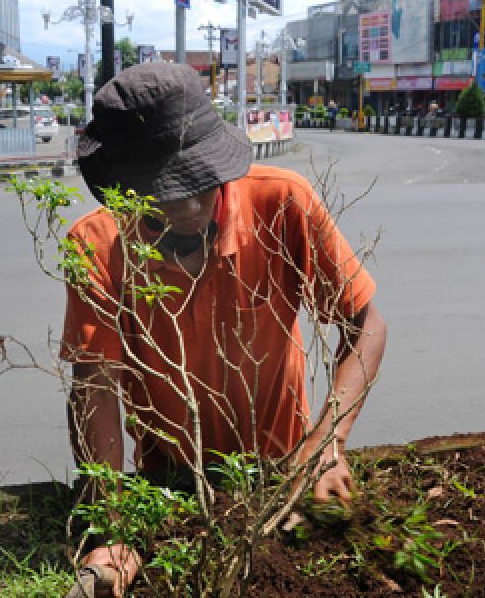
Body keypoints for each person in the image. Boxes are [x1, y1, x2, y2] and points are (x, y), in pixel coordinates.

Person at [63, 63, 387, 593]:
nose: (191, 205)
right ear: (125, 190)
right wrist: (114, 525)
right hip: (167, 475)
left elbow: (367, 324)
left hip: (280, 467)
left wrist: (327, 444)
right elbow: (95, 383)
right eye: (167, 191)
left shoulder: (283, 202)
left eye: (202, 181)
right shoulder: (97, 246)